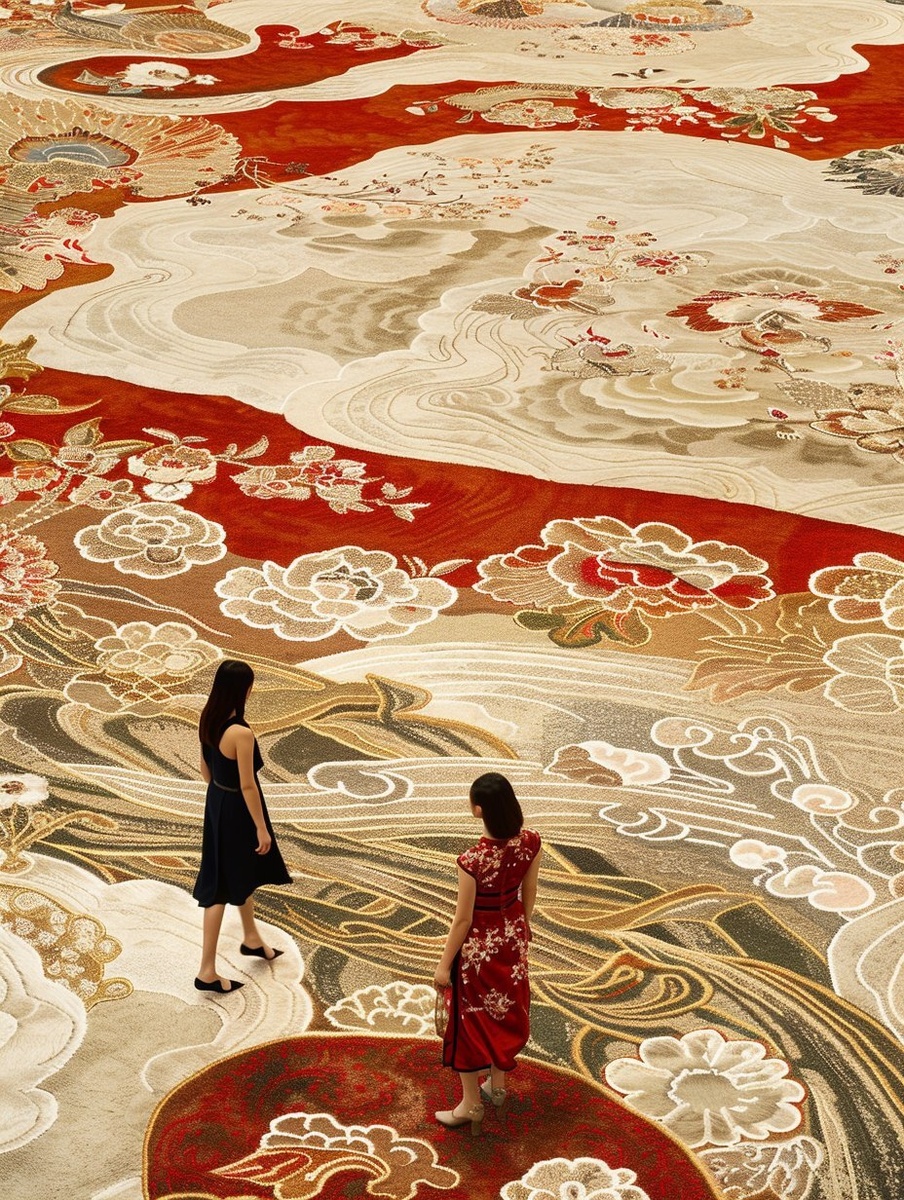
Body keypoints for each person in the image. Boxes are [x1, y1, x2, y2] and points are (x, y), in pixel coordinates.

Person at [433, 772, 542, 1135]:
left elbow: (463, 919)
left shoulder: (472, 860)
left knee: (469, 1020)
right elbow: (529, 891)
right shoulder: (531, 841)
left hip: (479, 948)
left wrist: (443, 965)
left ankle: (470, 1105)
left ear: (478, 810)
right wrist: (521, 927)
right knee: (505, 1010)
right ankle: (497, 1086)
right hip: (512, 936)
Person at [192, 659, 292, 993]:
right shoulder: (241, 733)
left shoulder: (209, 718)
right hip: (238, 808)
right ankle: (206, 971)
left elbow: (206, 771)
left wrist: (219, 796)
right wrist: (261, 828)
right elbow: (248, 785)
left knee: (240, 872)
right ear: (243, 690)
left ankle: (251, 938)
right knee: (219, 888)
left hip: (217, 801)